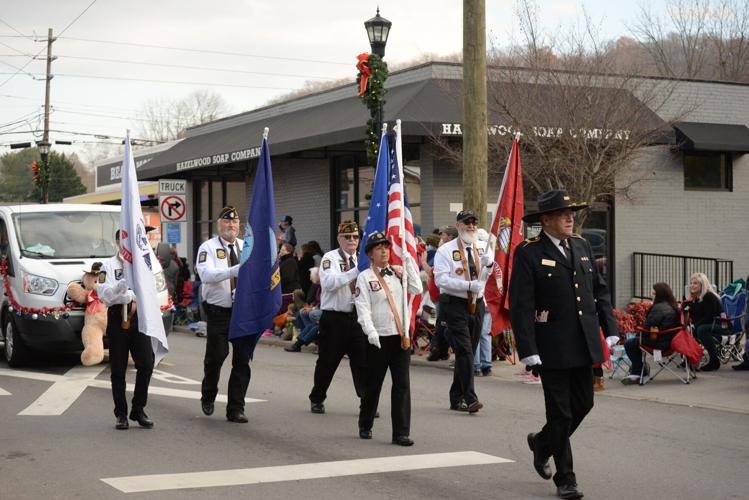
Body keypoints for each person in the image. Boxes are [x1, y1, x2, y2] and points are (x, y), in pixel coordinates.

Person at [509, 190, 617, 500]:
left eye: (572, 213)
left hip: (583, 343)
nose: (570, 218)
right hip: (551, 347)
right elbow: (521, 305)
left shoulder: (581, 246)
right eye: (562, 214)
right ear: (546, 220)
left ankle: (542, 442)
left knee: (584, 404)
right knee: (561, 413)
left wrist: (609, 327)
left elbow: (600, 291)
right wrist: (528, 348)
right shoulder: (528, 252)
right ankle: (565, 478)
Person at [355, 232, 422, 446]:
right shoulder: (365, 278)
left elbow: (417, 289)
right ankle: (365, 423)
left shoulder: (398, 273)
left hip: (400, 337)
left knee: (402, 385)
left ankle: (401, 433)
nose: (384, 251)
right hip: (378, 338)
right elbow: (363, 307)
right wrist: (370, 331)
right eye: (378, 248)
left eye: (386, 247)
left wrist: (409, 263)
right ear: (370, 254)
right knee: (373, 384)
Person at [433, 210, 493, 413]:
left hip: (477, 304)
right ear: (458, 225)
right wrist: (468, 285)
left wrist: (489, 265)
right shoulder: (446, 250)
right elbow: (440, 280)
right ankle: (470, 398)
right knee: (466, 350)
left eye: (474, 223)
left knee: (466, 352)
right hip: (455, 304)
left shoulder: (482, 247)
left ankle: (456, 397)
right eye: (467, 223)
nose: (471, 226)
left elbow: (487, 274)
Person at [195, 206, 249, 423]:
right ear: (219, 224)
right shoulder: (208, 247)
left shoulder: (246, 247)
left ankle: (236, 408)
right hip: (219, 312)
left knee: (242, 361)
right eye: (227, 222)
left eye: (235, 223)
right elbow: (206, 274)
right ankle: (208, 394)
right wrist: (232, 272)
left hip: (242, 312)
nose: (231, 226)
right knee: (216, 357)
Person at [96, 231, 155, 430]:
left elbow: (150, 290)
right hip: (117, 318)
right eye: (124, 240)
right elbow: (105, 295)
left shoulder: (145, 263)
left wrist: (133, 293)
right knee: (118, 368)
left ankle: (138, 409)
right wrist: (124, 288)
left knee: (146, 364)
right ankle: (121, 414)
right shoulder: (108, 266)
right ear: (117, 242)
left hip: (139, 318)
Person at [308, 220, 367, 414]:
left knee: (362, 362)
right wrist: (354, 272)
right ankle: (317, 397)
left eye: (355, 237)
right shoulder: (330, 258)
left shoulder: (363, 259)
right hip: (334, 319)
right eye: (347, 237)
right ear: (339, 238)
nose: (352, 240)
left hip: (357, 317)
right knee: (328, 361)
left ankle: (366, 401)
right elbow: (329, 283)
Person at [621, 282, 681, 384]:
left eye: (653, 294)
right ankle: (639, 369)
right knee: (635, 341)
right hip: (671, 342)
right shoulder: (673, 306)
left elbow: (648, 328)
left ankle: (638, 371)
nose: (651, 296)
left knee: (630, 343)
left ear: (659, 295)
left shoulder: (657, 308)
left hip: (659, 342)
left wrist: (637, 335)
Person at [682, 272, 724, 371]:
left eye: (695, 283)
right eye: (691, 283)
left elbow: (709, 317)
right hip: (704, 327)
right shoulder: (694, 299)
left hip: (720, 327)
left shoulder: (709, 297)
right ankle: (690, 359)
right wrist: (685, 307)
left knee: (701, 329)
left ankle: (714, 361)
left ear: (702, 285)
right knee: (685, 329)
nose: (692, 285)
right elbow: (691, 316)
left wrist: (694, 326)